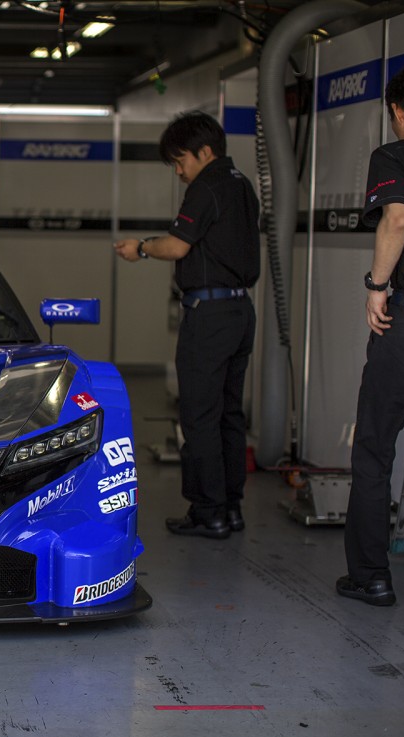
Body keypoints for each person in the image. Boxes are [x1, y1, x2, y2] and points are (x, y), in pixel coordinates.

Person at [113, 111, 259, 540]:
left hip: (210, 317)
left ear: (205, 152)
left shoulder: (207, 185)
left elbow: (177, 246)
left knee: (198, 415)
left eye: (181, 162)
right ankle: (231, 507)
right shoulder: (242, 185)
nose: (179, 172)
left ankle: (207, 511)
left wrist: (139, 248)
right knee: (229, 414)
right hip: (240, 313)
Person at [337, 61, 404, 607]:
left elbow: (396, 219)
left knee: (375, 453)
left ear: (400, 112)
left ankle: (371, 577)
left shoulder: (396, 154)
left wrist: (378, 285)